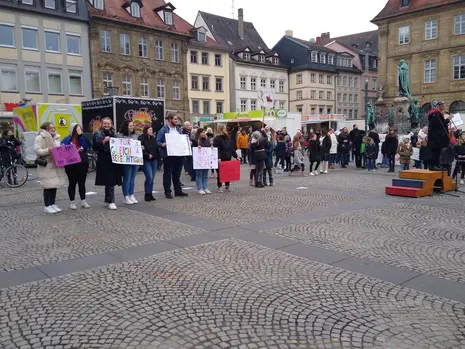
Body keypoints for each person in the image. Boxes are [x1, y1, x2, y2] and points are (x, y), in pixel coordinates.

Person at [34, 122, 66, 214]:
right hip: (47, 165)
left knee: (54, 185)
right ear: (45, 128)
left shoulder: (57, 137)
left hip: (56, 164)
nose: (53, 129)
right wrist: (48, 150)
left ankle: (52, 204)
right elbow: (37, 151)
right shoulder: (40, 138)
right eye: (50, 127)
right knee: (48, 186)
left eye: (53, 127)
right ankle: (47, 205)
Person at [156, 113, 188, 199]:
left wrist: (187, 142)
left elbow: (181, 140)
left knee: (177, 174)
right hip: (169, 155)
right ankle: (167, 191)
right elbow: (157, 141)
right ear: (169, 120)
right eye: (174, 119)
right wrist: (162, 144)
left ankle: (178, 191)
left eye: (177, 119)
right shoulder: (164, 130)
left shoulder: (179, 130)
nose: (176, 121)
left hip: (179, 154)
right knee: (167, 174)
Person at [93, 117, 122, 210]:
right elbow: (95, 146)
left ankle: (107, 199)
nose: (107, 125)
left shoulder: (114, 134)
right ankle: (111, 201)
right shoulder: (97, 133)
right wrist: (103, 141)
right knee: (109, 181)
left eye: (108, 123)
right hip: (104, 159)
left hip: (113, 159)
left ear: (111, 124)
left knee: (111, 181)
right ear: (101, 124)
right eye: (105, 123)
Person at [61, 123, 90, 210]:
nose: (78, 130)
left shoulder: (82, 137)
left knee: (82, 183)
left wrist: (81, 135)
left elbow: (85, 145)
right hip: (71, 165)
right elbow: (62, 149)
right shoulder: (67, 138)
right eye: (76, 129)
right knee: (72, 183)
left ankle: (83, 200)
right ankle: (72, 201)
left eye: (79, 129)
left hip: (82, 163)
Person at [117, 120, 139, 205]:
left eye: (132, 126)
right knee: (127, 178)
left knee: (132, 178)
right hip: (126, 160)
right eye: (130, 126)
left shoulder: (134, 135)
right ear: (126, 126)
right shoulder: (120, 135)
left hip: (135, 159)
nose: (132, 127)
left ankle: (131, 194)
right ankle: (125, 196)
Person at [427, 101, 452, 170]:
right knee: (435, 152)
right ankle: (433, 165)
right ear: (438, 107)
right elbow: (440, 125)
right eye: (443, 106)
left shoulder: (438, 114)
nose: (444, 108)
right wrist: (448, 119)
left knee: (438, 152)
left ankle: (437, 165)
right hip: (435, 138)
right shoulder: (434, 114)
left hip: (438, 138)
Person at [214, 125, 238, 192]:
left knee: (228, 172)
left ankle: (227, 186)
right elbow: (217, 149)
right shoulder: (217, 138)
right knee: (220, 173)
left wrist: (236, 156)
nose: (225, 129)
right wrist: (218, 157)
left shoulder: (228, 137)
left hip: (228, 157)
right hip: (221, 158)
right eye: (224, 128)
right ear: (221, 129)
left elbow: (231, 148)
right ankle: (219, 186)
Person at [139, 125, 159, 202]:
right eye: (150, 130)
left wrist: (158, 158)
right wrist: (147, 154)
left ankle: (150, 193)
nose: (151, 131)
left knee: (152, 178)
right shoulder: (141, 138)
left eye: (152, 130)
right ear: (146, 130)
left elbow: (156, 148)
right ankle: (147, 194)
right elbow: (141, 148)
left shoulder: (153, 138)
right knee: (149, 177)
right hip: (146, 160)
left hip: (154, 160)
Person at [192, 128, 212, 195]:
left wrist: (211, 147)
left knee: (205, 174)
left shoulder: (207, 140)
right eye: (202, 132)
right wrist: (197, 147)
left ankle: (205, 187)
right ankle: (200, 188)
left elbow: (209, 148)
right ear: (199, 133)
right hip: (199, 160)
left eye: (204, 132)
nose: (203, 134)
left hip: (205, 160)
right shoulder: (195, 140)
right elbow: (193, 149)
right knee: (199, 174)